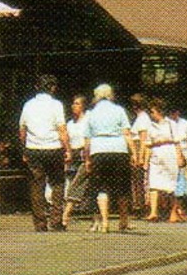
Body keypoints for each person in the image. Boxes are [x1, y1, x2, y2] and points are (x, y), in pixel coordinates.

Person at [18, 74, 71, 232]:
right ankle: (56, 219)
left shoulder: (28, 105)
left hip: (33, 148)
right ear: (53, 88)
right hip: (53, 147)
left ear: (37, 87)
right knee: (57, 183)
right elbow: (62, 129)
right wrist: (67, 148)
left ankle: (40, 222)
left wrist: (24, 148)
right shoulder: (56, 105)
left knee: (36, 185)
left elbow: (22, 129)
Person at [82, 83, 134, 233]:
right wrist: (134, 153)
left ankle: (104, 222)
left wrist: (87, 159)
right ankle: (123, 220)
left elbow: (86, 140)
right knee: (122, 186)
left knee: (100, 186)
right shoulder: (119, 110)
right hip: (119, 149)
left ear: (96, 96)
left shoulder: (91, 113)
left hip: (98, 150)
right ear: (111, 95)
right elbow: (127, 133)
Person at [142, 98, 179, 222]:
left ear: (159, 112)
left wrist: (179, 156)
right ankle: (153, 212)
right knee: (154, 184)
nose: (151, 115)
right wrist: (146, 162)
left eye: (152, 112)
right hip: (156, 156)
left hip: (169, 155)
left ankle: (173, 212)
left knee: (171, 185)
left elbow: (177, 141)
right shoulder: (150, 126)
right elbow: (147, 144)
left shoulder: (171, 124)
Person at [62, 94, 90, 230]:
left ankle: (65, 216)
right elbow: (66, 138)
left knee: (76, 185)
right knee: (77, 185)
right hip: (73, 155)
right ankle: (98, 218)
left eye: (78, 104)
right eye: (73, 103)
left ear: (83, 106)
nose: (74, 106)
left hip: (85, 154)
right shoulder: (70, 123)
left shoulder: (88, 120)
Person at [168, 105, 187, 222]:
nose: (174, 115)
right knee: (173, 183)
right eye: (172, 112)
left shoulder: (184, 123)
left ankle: (180, 208)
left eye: (176, 112)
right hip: (171, 155)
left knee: (184, 182)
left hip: (185, 153)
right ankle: (175, 210)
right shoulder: (166, 123)